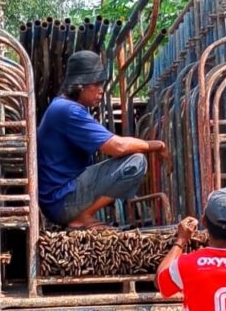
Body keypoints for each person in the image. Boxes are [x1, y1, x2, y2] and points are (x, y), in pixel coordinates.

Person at [36, 50, 168, 228]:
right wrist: (156, 145)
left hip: (59, 199)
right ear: (80, 86)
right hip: (62, 201)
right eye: (96, 85)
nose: (101, 91)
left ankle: (82, 216)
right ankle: (83, 217)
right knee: (136, 162)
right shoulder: (69, 110)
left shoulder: (63, 106)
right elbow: (117, 147)